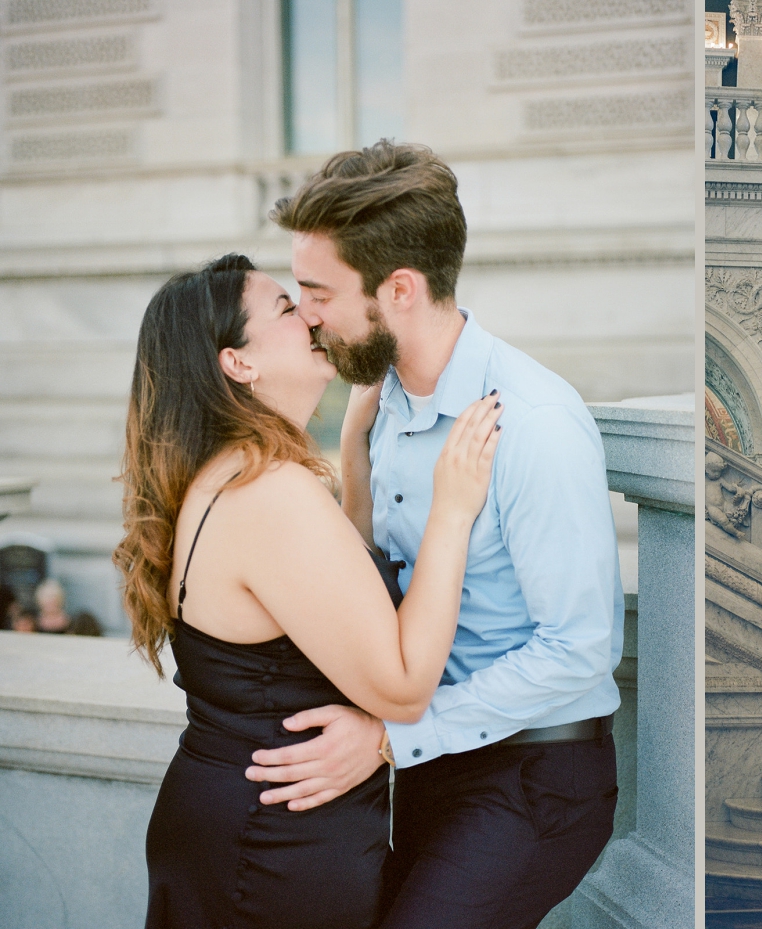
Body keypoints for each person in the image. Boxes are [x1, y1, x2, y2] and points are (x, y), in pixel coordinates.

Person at [246, 141, 624, 929]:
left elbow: (580, 646)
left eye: (318, 292)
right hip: (430, 762)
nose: (305, 315)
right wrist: (353, 455)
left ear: (400, 289)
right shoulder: (381, 404)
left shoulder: (535, 424)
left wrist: (386, 737)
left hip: (536, 776)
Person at [114, 253, 503, 929]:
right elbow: (404, 686)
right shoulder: (268, 492)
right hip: (270, 847)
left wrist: (352, 443)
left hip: (234, 822)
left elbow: (329, 593)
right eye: (287, 309)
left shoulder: (230, 474)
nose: (312, 316)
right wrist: (452, 509)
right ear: (239, 362)